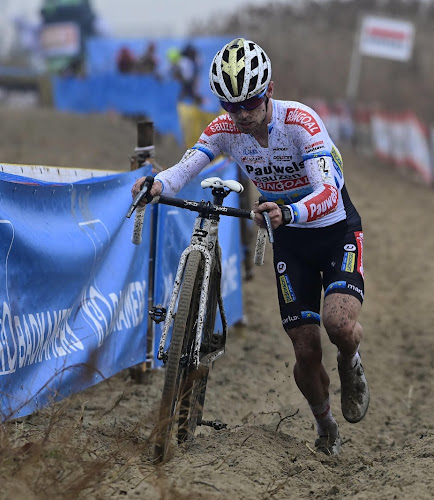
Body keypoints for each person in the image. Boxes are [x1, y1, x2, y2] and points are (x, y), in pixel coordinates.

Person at [131, 38, 369, 456]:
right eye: (230, 105)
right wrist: (157, 184)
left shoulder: (301, 123)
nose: (241, 115)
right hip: (290, 241)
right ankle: (325, 423)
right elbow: (186, 167)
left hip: (334, 231)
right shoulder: (226, 129)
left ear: (269, 91)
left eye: (250, 103)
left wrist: (288, 212)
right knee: (306, 349)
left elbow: (329, 193)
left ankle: (350, 362)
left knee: (338, 326)